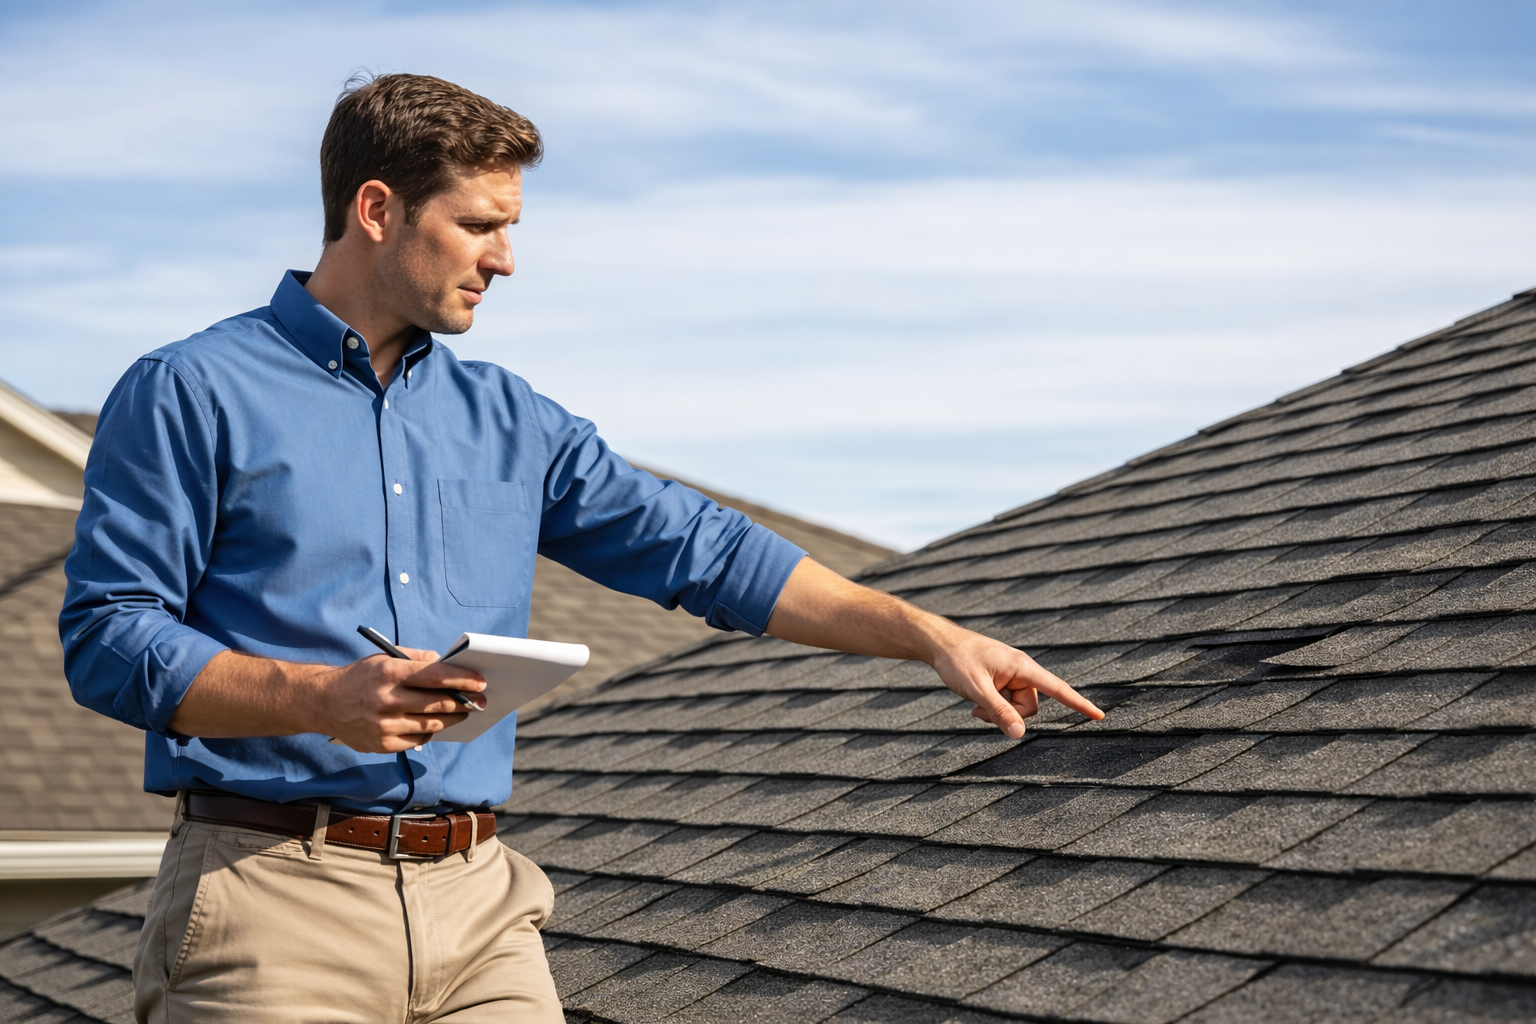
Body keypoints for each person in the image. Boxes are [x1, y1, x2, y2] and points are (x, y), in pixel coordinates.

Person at [61, 73, 1103, 1024]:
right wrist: (320, 699)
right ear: (377, 211)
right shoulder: (191, 391)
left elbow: (704, 550)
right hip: (271, 904)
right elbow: (108, 637)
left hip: (481, 907)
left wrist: (928, 635)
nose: (505, 258)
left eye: (509, 228)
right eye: (479, 225)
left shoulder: (511, 420)